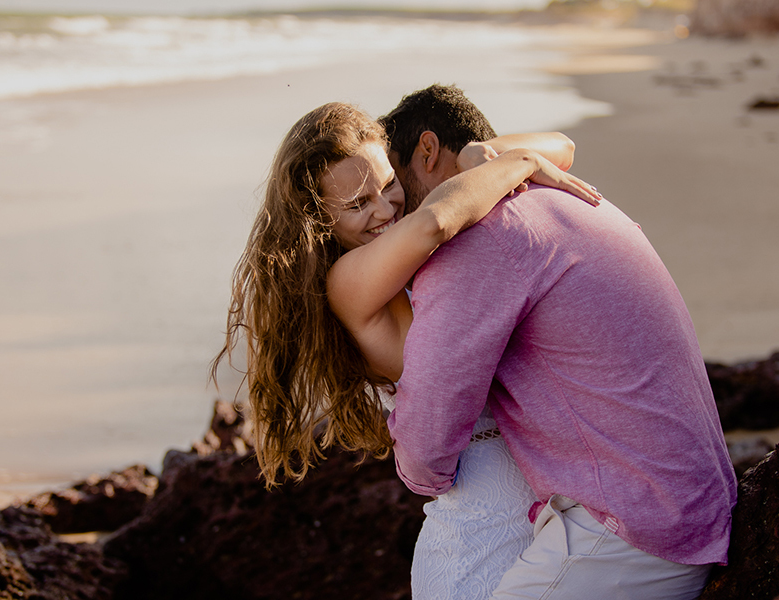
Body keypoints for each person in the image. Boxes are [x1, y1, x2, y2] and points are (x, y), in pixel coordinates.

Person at [213, 101, 601, 595]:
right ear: (319, 220)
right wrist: (514, 163)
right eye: (357, 205)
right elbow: (433, 223)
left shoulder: (403, 238)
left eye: (388, 183)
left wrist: (483, 152)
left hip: (545, 505)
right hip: (477, 527)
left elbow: (563, 147)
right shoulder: (348, 281)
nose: (384, 209)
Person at [379, 84, 737, 599]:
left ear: (427, 152)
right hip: (696, 501)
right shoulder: (565, 196)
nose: (391, 208)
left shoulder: (474, 245)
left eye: (393, 179)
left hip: (634, 534)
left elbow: (426, 449)